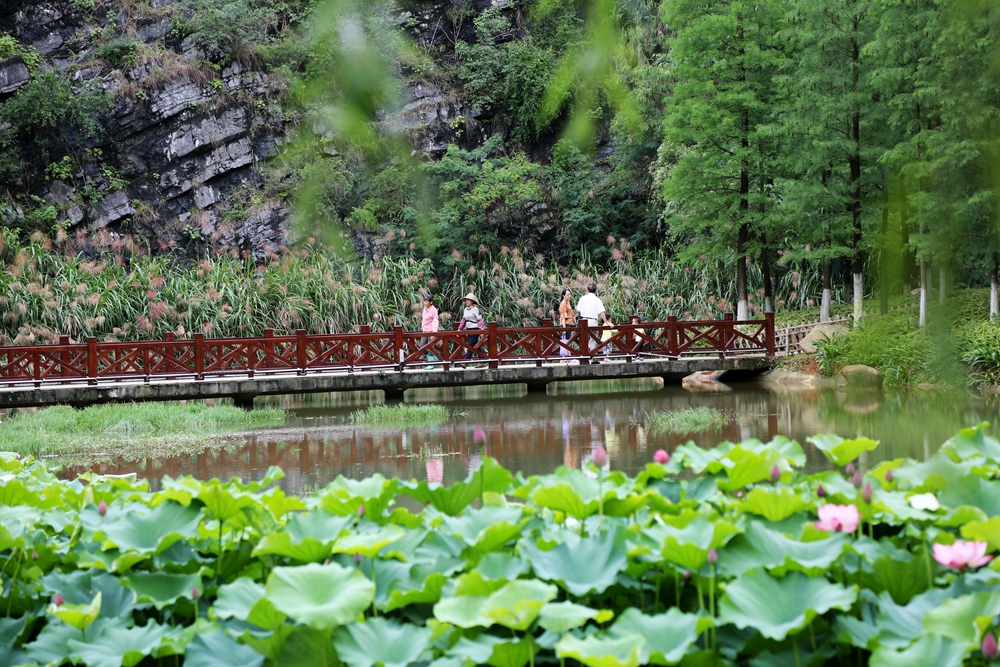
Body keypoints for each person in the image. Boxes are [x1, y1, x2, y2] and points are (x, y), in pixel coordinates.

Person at [458, 292, 483, 360]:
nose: (467, 301)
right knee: (476, 345)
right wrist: (460, 328)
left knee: (470, 345)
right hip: (469, 328)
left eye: (468, 300)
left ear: (472, 301)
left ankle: (467, 360)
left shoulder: (475, 309)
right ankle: (482, 359)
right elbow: (463, 320)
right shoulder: (466, 309)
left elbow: (480, 320)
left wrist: (482, 330)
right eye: (466, 300)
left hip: (475, 329)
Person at [421, 295, 439, 365]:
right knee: (422, 346)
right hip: (425, 330)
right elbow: (424, 320)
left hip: (431, 330)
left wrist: (434, 333)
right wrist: (423, 329)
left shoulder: (433, 310)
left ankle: (431, 363)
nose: (425, 303)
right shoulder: (424, 309)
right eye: (424, 301)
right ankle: (433, 358)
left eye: (426, 301)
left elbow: (435, 321)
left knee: (430, 347)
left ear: (431, 302)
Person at [558, 289, 575, 358]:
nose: (569, 296)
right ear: (563, 295)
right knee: (567, 341)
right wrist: (564, 327)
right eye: (568, 295)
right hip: (565, 323)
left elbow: (572, 314)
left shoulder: (568, 302)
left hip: (569, 323)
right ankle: (568, 356)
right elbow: (563, 316)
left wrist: (575, 323)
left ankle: (568, 356)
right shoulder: (563, 304)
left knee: (568, 340)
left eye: (570, 294)